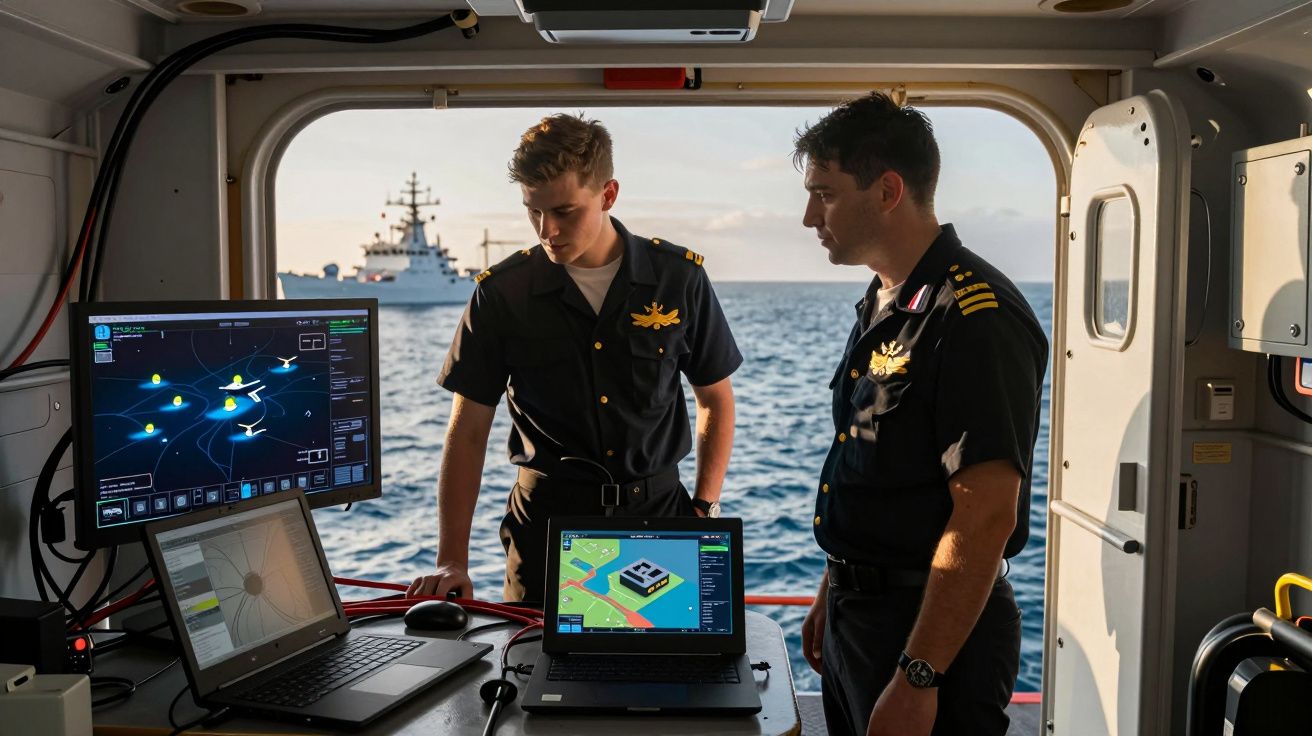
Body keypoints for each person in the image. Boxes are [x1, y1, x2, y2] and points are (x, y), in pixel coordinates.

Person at [408, 113, 741, 604]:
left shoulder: (678, 279)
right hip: (545, 529)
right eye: (533, 211)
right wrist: (452, 559)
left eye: (565, 211)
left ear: (608, 195)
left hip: (658, 520)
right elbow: (469, 427)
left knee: (669, 673)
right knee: (534, 677)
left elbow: (715, 398)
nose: (548, 230)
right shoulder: (503, 293)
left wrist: (704, 508)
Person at [793, 93, 1048, 736]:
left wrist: (918, 677)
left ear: (887, 191)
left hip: (929, 636)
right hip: (863, 616)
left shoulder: (973, 317)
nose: (807, 217)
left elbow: (986, 513)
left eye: (824, 194)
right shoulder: (887, 299)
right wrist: (835, 583)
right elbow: (875, 462)